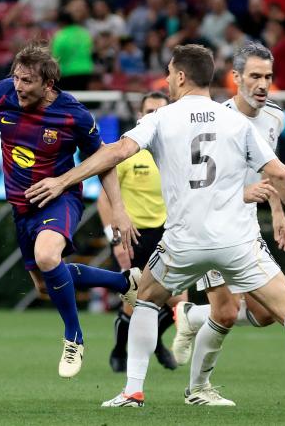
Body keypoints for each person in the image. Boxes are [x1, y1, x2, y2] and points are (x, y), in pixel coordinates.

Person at [24, 44, 285, 413]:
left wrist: (63, 180)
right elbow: (280, 173)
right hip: (238, 241)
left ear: (181, 76)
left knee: (145, 298)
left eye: (169, 73)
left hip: (183, 242)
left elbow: (114, 153)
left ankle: (133, 391)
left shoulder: (162, 118)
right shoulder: (236, 121)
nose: (167, 79)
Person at [0, 42, 139, 379]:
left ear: (48, 84)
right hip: (22, 207)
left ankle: (73, 338)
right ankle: (124, 282)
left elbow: (105, 161)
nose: (19, 86)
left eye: (27, 81)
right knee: (46, 286)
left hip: (59, 199)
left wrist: (118, 208)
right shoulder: (3, 92)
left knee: (49, 257)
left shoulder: (74, 114)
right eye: (17, 78)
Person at [171, 43, 285, 390]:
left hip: (248, 224)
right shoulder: (217, 118)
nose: (263, 84)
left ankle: (189, 316)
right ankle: (198, 389)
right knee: (224, 313)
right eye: (256, 76)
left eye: (268, 77)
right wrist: (241, 195)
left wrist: (278, 213)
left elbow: (271, 170)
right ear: (236, 78)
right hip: (212, 221)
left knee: (265, 313)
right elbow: (202, 186)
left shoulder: (275, 117)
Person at [96, 91, 186, 372]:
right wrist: (115, 240)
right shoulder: (127, 148)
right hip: (131, 237)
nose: (154, 116)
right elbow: (104, 198)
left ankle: (155, 342)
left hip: (166, 235)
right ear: (140, 115)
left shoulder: (178, 150)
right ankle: (120, 350)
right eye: (149, 111)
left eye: (160, 112)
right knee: (134, 304)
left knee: (179, 304)